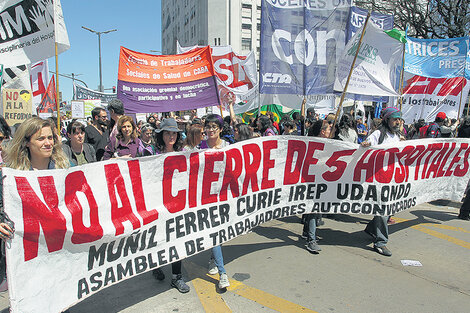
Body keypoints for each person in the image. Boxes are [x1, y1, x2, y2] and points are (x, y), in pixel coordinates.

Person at [1, 117, 71, 292]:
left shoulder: (67, 169)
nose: (48, 143)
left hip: (60, 250)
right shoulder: (10, 176)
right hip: (29, 253)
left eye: (50, 138)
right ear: (26, 143)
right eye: (41, 139)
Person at [151, 118, 190, 293]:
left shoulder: (183, 153)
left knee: (177, 240)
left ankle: (177, 277)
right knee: (159, 238)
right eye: (167, 133)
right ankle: (155, 265)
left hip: (177, 205)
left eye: (174, 133)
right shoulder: (153, 155)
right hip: (159, 204)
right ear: (162, 136)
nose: (171, 136)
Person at [361, 107, 403, 256]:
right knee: (383, 209)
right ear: (387, 120)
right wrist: (365, 145)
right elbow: (365, 147)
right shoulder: (378, 134)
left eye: (399, 119)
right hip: (379, 179)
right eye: (394, 119)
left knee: (389, 208)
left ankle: (371, 228)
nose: (397, 122)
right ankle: (380, 242)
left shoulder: (397, 136)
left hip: (392, 178)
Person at [199, 114, 230, 289]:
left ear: (220, 129)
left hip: (224, 196)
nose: (210, 130)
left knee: (219, 233)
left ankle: (212, 259)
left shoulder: (228, 147)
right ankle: (222, 273)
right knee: (214, 233)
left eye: (214, 127)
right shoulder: (200, 147)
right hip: (206, 197)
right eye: (208, 127)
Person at [303, 119, 333, 253]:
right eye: (328, 129)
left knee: (314, 209)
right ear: (322, 132)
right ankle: (311, 240)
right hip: (313, 181)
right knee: (314, 209)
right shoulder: (314, 144)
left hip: (321, 181)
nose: (331, 131)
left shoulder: (329, 143)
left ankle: (306, 232)